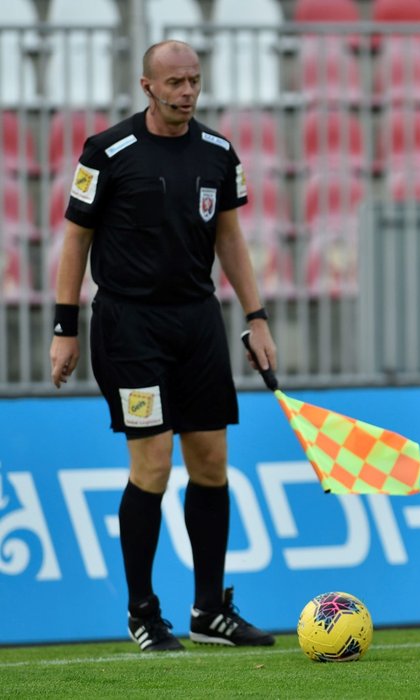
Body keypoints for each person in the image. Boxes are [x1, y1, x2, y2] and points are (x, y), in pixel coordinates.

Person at [48, 40, 277, 652]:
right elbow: (75, 241)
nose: (186, 92)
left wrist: (255, 315)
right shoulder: (108, 151)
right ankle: (143, 612)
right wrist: (64, 326)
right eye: (174, 82)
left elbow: (230, 238)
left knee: (210, 463)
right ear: (147, 86)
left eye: (194, 81)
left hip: (197, 323)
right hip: (129, 327)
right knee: (151, 465)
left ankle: (208, 611)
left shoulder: (218, 153)